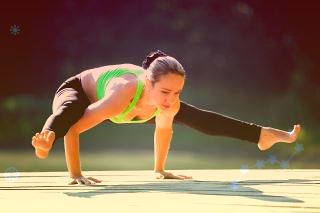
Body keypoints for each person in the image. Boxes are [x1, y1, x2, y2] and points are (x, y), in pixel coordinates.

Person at [31, 50, 301, 185]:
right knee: (69, 112)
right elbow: (75, 129)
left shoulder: (167, 102)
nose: (171, 99)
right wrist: (76, 174)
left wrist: (159, 170)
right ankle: (45, 140)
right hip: (78, 90)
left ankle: (261, 134)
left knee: (196, 117)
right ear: (148, 84)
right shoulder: (123, 92)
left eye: (177, 92)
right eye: (165, 91)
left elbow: (162, 131)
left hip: (134, 106)